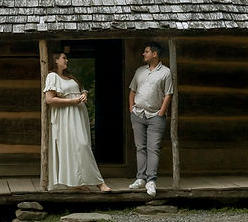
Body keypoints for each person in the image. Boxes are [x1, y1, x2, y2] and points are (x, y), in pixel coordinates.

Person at [43, 51, 112, 192]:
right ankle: (100, 183)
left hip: (78, 115)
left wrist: (84, 94)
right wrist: (72, 101)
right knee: (80, 146)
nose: (66, 60)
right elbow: (49, 99)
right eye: (64, 58)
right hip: (65, 117)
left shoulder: (69, 76)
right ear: (56, 60)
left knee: (81, 146)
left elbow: (80, 90)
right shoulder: (52, 76)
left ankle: (77, 183)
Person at [128, 41, 174, 197]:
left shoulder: (166, 72)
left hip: (155, 116)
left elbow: (168, 94)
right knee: (140, 147)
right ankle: (140, 178)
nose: (143, 54)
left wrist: (161, 112)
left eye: (146, 51)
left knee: (152, 148)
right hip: (138, 114)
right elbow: (132, 90)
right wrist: (131, 109)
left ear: (154, 54)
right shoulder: (139, 71)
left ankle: (151, 181)